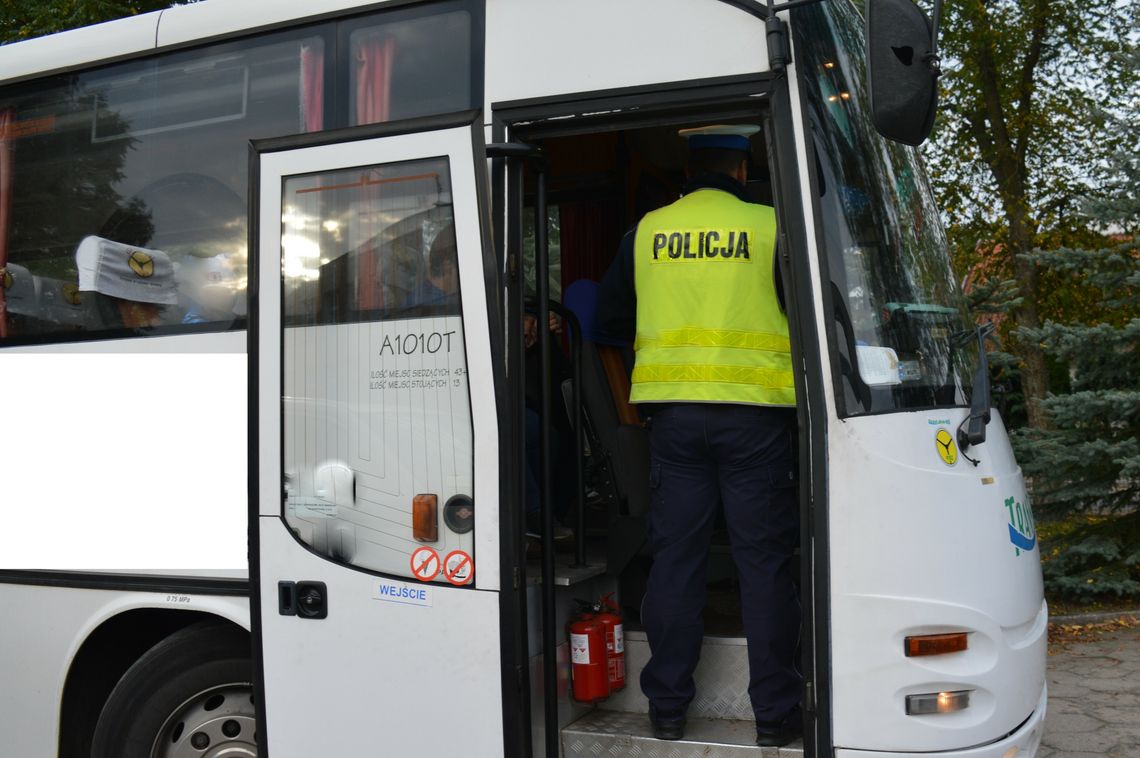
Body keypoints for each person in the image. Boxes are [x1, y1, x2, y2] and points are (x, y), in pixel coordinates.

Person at [595, 125, 801, 746]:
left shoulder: (645, 233)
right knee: (762, 565)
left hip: (674, 422)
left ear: (688, 174)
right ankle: (774, 718)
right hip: (756, 418)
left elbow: (606, 321)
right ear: (741, 173)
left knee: (675, 561)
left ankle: (666, 709)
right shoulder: (770, 228)